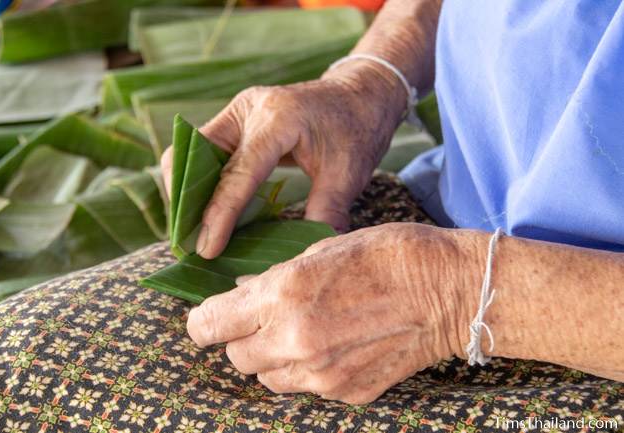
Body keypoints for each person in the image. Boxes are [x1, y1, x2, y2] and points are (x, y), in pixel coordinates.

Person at [160, 0, 624, 404]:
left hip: (574, 340)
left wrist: (454, 294)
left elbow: (451, 289)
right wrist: (371, 79)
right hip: (435, 217)